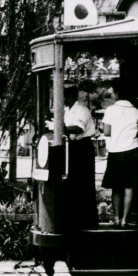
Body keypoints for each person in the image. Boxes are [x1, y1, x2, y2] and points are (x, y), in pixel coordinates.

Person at [101, 79, 138, 228]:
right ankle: (125, 219)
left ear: (117, 94)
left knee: (116, 186)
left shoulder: (110, 110)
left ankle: (116, 219)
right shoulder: (135, 110)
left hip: (116, 151)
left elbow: (106, 131)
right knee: (129, 186)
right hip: (132, 149)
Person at [63, 85, 98, 229]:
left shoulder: (82, 110)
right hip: (71, 146)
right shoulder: (67, 111)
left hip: (83, 146)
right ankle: (75, 219)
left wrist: (60, 127)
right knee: (72, 182)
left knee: (85, 182)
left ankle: (88, 220)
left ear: (71, 97)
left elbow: (79, 128)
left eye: (65, 97)